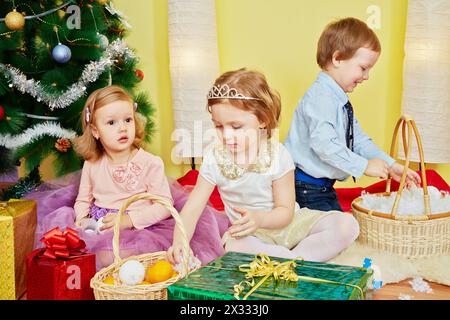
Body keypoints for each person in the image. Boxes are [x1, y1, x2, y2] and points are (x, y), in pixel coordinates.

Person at [168, 68, 360, 263]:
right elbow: (192, 208)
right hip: (251, 235)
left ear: (262, 120)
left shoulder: (278, 154)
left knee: (347, 224)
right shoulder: (214, 158)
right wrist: (179, 242)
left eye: (235, 126)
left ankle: (295, 260)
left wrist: (259, 218)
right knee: (234, 247)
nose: (226, 135)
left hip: (290, 224)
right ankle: (295, 261)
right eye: (218, 126)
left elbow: (285, 212)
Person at [31, 85, 228, 269]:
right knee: (86, 253)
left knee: (136, 256)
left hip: (141, 226)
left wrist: (129, 220)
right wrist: (83, 220)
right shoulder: (93, 164)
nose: (123, 128)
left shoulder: (150, 163)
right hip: (102, 226)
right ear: (95, 131)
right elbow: (83, 199)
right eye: (111, 122)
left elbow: (163, 205)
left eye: (128, 120)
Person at [284, 17, 421, 211]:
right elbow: (325, 145)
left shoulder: (338, 100)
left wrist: (391, 165)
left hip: (321, 188)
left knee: (345, 227)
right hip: (305, 188)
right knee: (334, 233)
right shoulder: (320, 98)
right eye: (363, 68)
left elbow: (359, 141)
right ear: (337, 58)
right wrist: (365, 166)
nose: (366, 77)